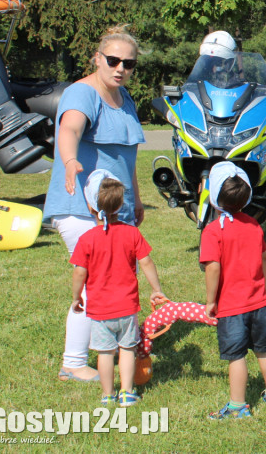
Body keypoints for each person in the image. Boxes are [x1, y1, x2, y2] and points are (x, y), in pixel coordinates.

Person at [45, 25, 146, 383]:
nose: (121, 68)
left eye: (128, 63)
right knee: (98, 284)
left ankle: (111, 349)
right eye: (114, 60)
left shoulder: (126, 98)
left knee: (111, 283)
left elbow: (126, 157)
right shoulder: (82, 93)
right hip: (79, 207)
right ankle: (73, 362)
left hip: (117, 208)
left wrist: (134, 197)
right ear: (97, 58)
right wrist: (70, 160)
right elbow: (69, 129)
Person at [70, 170, 165, 407]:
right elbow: (146, 262)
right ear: (120, 204)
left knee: (105, 353)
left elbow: (79, 271)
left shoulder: (87, 239)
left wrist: (75, 297)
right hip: (127, 307)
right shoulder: (131, 233)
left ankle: (107, 394)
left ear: (91, 208)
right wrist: (156, 288)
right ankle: (127, 392)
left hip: (100, 310)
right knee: (127, 349)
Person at [200, 162, 266, 419]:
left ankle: (237, 405)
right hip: (259, 302)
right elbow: (263, 262)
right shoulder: (255, 226)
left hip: (231, 307)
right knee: (264, 350)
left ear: (213, 195)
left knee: (236, 356)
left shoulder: (213, 231)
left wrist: (210, 301)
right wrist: (263, 291)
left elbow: (213, 268)